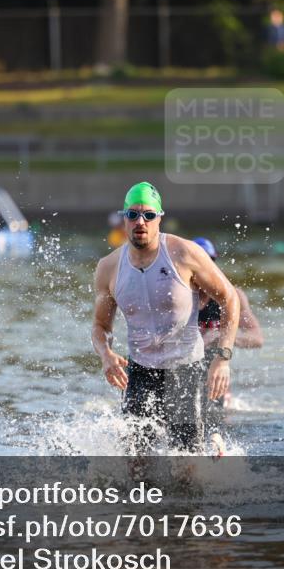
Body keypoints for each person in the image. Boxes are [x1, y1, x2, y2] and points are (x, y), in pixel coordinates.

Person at [92, 183, 240, 454]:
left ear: (159, 217)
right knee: (136, 465)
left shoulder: (184, 253)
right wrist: (106, 354)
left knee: (187, 471)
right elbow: (101, 326)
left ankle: (210, 455)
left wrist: (223, 358)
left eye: (148, 215)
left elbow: (230, 297)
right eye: (133, 214)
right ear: (123, 218)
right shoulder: (108, 267)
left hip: (184, 369)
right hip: (140, 372)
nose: (140, 222)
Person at [192, 237, 264, 453]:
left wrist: (223, 337)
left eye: (209, 261)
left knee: (216, 421)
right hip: (184, 370)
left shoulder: (231, 296)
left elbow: (256, 338)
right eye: (198, 262)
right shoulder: (176, 297)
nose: (204, 269)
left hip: (215, 377)